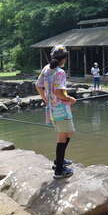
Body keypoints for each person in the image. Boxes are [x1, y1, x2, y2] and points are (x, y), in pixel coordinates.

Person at [36, 45, 77, 179]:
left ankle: (59, 161)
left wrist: (45, 99)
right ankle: (59, 170)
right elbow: (59, 92)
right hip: (61, 108)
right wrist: (70, 99)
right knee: (64, 135)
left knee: (66, 133)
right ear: (64, 58)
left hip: (52, 108)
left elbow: (38, 85)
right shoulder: (59, 72)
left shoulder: (47, 68)